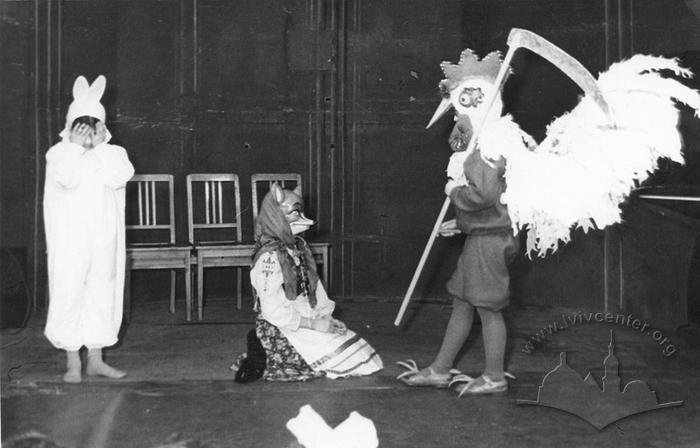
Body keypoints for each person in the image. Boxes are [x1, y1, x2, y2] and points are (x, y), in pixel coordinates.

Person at [398, 49, 526, 395]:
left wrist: (455, 192)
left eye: (464, 101)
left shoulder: (490, 143)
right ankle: (441, 369)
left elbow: (484, 196)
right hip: (483, 236)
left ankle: (495, 376)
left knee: (487, 308)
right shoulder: (482, 141)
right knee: (464, 302)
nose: (458, 109)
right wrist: (461, 223)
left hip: (490, 241)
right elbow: (492, 200)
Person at [233, 183, 383, 382]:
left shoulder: (298, 248)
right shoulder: (269, 256)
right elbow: (272, 308)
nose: (301, 218)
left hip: (306, 315)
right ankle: (263, 348)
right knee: (338, 358)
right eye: (294, 213)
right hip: (285, 322)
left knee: (355, 349)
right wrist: (312, 324)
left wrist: (324, 316)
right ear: (276, 216)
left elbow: (313, 286)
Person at [43, 75, 134, 383]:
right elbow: (64, 179)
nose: (88, 132)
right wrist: (75, 147)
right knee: (70, 292)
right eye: (81, 126)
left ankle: (95, 359)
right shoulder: (59, 154)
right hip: (70, 239)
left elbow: (118, 177)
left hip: (103, 237)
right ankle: (72, 361)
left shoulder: (113, 154)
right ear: (70, 127)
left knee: (101, 292)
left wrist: (96, 148)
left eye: (94, 125)